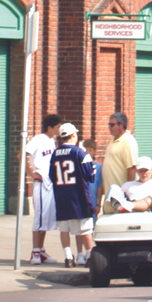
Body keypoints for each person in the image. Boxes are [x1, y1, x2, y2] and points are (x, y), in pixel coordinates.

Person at [48, 124, 96, 267]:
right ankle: (90, 256)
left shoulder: (55, 154)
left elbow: (52, 176)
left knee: (64, 229)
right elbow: (90, 174)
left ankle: (68, 257)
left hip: (61, 197)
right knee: (85, 229)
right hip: (79, 197)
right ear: (73, 135)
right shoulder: (80, 153)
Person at [26, 114, 65, 266]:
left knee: (47, 218)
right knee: (40, 217)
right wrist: (31, 174)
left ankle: (41, 250)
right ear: (50, 128)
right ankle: (35, 251)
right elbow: (23, 154)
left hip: (50, 183)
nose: (59, 130)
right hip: (41, 183)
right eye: (57, 127)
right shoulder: (38, 139)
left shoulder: (52, 141)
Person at [100, 112, 138, 212]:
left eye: (112, 125)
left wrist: (126, 194)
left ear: (121, 125)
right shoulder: (114, 140)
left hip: (120, 198)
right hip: (110, 196)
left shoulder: (128, 141)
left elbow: (131, 168)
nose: (109, 127)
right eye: (109, 124)